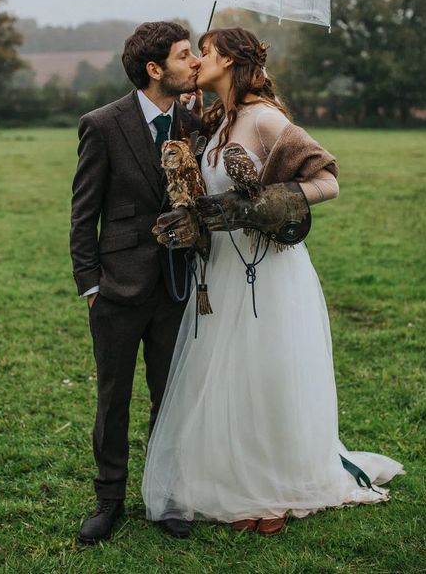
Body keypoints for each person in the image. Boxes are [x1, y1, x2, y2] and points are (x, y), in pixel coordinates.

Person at [143, 27, 403, 538]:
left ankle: (274, 489)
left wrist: (267, 203)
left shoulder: (264, 119)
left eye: (208, 51)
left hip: (270, 273)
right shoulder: (217, 125)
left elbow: (327, 180)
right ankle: (239, 482)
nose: (198, 59)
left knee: (267, 377)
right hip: (220, 272)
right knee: (231, 381)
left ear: (233, 61)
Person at [69, 21, 203, 544]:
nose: (194, 63)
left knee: (170, 397)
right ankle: (109, 500)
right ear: (155, 69)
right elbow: (83, 214)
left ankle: (166, 497)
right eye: (184, 55)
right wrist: (90, 284)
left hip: (176, 285)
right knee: (113, 398)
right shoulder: (102, 125)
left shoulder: (194, 126)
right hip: (117, 288)